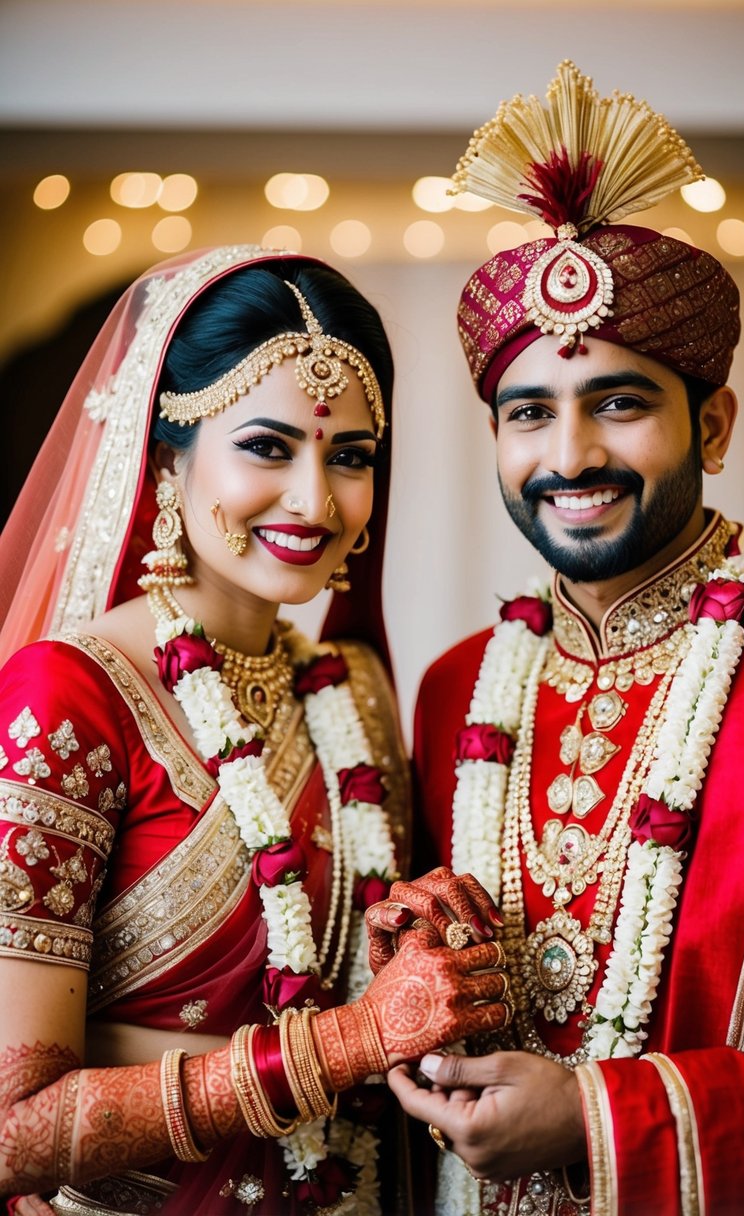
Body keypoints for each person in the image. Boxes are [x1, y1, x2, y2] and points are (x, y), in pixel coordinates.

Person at [387, 62, 744, 1215]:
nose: (569, 455)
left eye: (621, 403)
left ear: (714, 423)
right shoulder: (453, 692)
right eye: (528, 413)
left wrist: (598, 1120)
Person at [0, 245, 511, 1216]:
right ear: (164, 457)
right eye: (268, 447)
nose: (317, 502)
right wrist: (347, 1043)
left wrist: (403, 935)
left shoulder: (346, 690)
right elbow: (10, 1127)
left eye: (351, 456)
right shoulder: (70, 700)